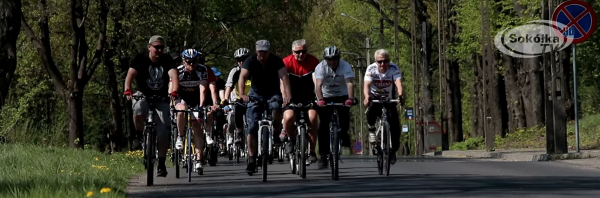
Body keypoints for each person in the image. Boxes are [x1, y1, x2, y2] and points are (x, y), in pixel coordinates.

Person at [124, 35, 178, 177]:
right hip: (143, 94)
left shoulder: (167, 59)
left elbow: (174, 75)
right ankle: (139, 136)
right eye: (156, 47)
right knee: (138, 108)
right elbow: (130, 75)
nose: (159, 50)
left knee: (163, 131)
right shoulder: (140, 58)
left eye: (161, 47)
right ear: (149, 47)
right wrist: (127, 90)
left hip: (161, 98)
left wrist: (174, 92)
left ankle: (161, 163)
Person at [238, 40, 292, 173]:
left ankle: (276, 132)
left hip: (272, 93)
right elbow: (242, 77)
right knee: (252, 127)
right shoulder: (250, 61)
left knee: (276, 110)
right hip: (255, 94)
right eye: (259, 51)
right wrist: (242, 94)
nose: (262, 54)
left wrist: (288, 96)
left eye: (265, 51)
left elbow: (284, 77)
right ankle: (251, 159)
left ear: (269, 52)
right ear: (256, 51)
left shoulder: (276, 60)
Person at [314, 46, 356, 169]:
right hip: (325, 95)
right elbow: (318, 86)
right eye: (329, 59)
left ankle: (344, 134)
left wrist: (350, 98)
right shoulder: (320, 67)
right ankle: (323, 155)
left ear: (339, 58)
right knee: (323, 125)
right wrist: (321, 100)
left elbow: (349, 83)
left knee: (345, 118)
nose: (332, 62)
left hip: (342, 95)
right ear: (325, 59)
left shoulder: (345, 65)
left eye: (334, 59)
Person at [280, 39, 320, 163]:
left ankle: (312, 150)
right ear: (292, 52)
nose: (301, 54)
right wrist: (285, 97)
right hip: (291, 96)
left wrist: (319, 97)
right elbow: (283, 82)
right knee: (289, 117)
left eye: (303, 51)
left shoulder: (314, 61)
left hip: (309, 96)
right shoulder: (286, 62)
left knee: (313, 117)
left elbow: (317, 81)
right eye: (298, 52)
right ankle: (291, 140)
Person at [363, 49, 404, 165]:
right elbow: (366, 85)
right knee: (370, 110)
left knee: (395, 126)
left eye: (385, 61)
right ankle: (372, 129)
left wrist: (401, 96)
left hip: (389, 99)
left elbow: (398, 83)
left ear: (389, 61)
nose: (382, 64)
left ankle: (392, 150)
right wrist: (367, 97)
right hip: (374, 98)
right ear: (375, 61)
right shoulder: (371, 69)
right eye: (380, 61)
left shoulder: (393, 68)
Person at [173, 49, 209, 173]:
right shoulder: (178, 71)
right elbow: (173, 89)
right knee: (181, 110)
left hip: (195, 99)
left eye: (194, 62)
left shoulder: (202, 70)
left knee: (197, 127)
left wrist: (201, 106)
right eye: (189, 62)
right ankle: (180, 136)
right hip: (181, 97)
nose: (192, 64)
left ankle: (199, 160)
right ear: (184, 61)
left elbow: (203, 90)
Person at [222, 48, 252, 145]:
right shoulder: (235, 71)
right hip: (239, 98)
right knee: (237, 110)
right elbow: (229, 86)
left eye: (244, 59)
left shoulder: (255, 69)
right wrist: (225, 100)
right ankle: (239, 132)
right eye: (239, 60)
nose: (241, 62)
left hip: (253, 97)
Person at [211, 67, 228, 156]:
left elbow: (222, 93)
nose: (217, 78)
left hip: (217, 104)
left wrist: (222, 102)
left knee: (220, 117)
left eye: (218, 76)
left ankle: (221, 142)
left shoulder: (221, 82)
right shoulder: (206, 81)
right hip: (208, 103)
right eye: (215, 76)